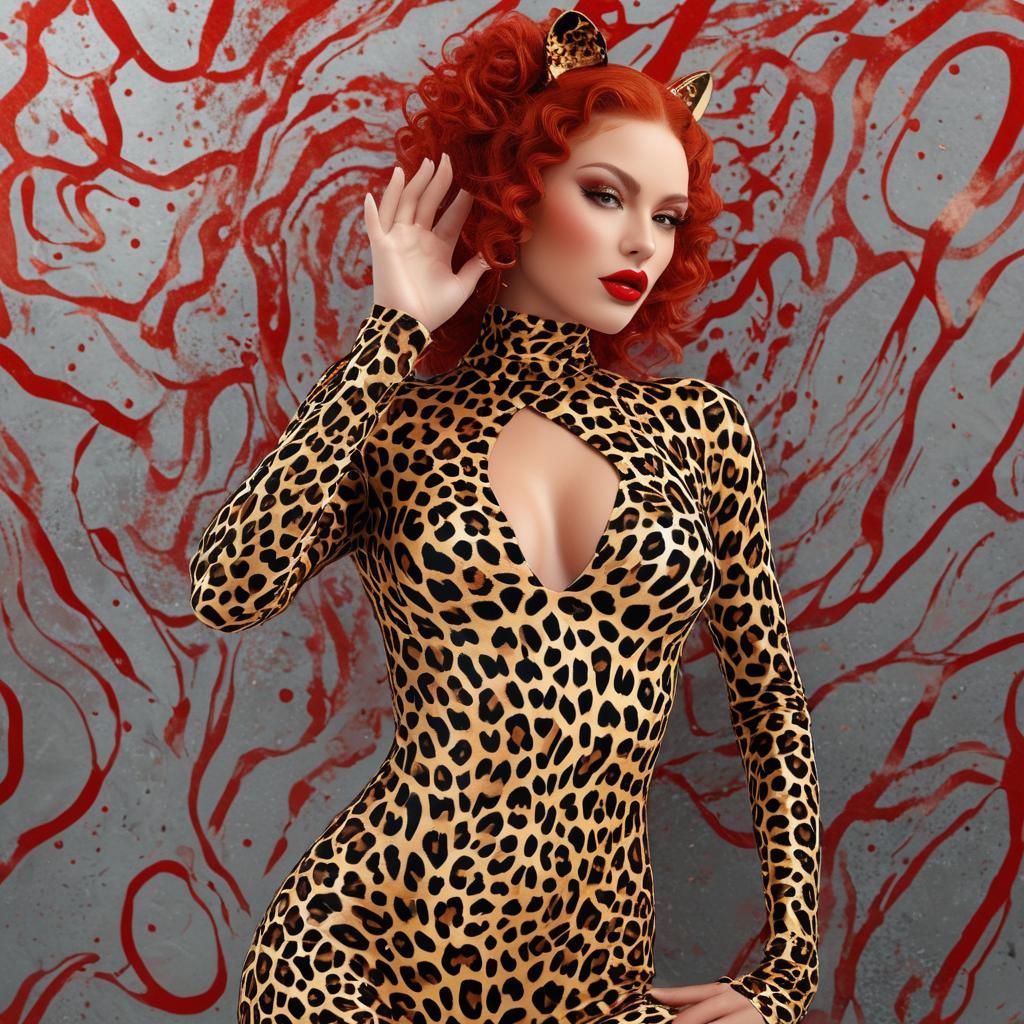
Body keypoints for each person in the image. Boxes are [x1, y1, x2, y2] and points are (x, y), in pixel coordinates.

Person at [188, 9, 821, 1024]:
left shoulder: (701, 431)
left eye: (666, 216)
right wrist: (392, 333)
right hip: (354, 951)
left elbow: (770, 704)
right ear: (512, 191)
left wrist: (787, 974)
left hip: (594, 976)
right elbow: (228, 589)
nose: (640, 243)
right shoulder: (398, 427)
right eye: (605, 195)